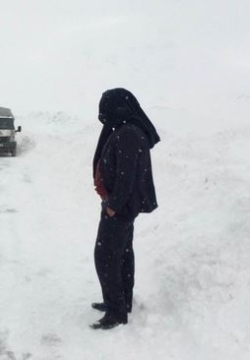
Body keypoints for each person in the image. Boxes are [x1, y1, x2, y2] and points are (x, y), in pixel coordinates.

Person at [90, 88, 160, 330]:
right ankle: (121, 301)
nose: (103, 113)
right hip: (119, 205)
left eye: (106, 106)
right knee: (121, 253)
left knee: (106, 256)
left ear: (118, 107)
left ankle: (116, 311)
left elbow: (127, 176)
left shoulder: (128, 132)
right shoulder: (124, 128)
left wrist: (113, 206)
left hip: (119, 207)